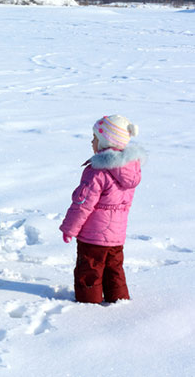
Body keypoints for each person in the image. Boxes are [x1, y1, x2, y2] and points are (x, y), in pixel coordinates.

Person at [60, 115, 145, 304]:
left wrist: (69, 228)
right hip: (116, 237)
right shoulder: (131, 169)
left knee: (89, 273)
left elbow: (83, 204)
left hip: (93, 238)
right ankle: (119, 301)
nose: (92, 142)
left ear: (106, 142)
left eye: (95, 138)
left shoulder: (97, 171)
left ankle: (88, 306)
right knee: (114, 271)